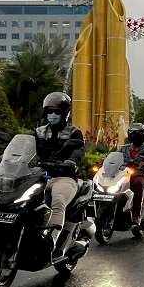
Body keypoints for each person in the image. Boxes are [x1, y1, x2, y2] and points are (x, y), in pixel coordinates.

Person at [34, 92, 85, 258]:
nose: (53, 115)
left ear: (64, 113)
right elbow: (28, 148)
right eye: (49, 112)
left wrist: (71, 160)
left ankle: (52, 240)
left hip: (64, 177)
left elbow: (78, 150)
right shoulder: (39, 132)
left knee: (58, 200)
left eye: (56, 112)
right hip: (40, 176)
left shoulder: (74, 133)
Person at [120, 123, 144, 231]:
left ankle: (136, 215)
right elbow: (114, 157)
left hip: (140, 175)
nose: (135, 136)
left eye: (137, 133)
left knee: (137, 184)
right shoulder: (124, 148)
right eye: (133, 133)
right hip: (124, 175)